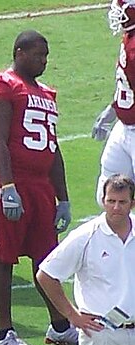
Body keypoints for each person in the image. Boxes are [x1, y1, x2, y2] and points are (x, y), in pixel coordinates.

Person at [0, 30, 77, 345]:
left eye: (46, 56)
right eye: (37, 55)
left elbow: (53, 147)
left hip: (39, 185)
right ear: (19, 52)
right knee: (2, 256)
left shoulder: (46, 93)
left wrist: (62, 197)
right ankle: (4, 333)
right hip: (6, 180)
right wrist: (7, 188)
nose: (43, 62)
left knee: (47, 258)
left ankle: (60, 326)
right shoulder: (1, 85)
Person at [37, 174, 135, 345]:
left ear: (132, 204)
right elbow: (46, 275)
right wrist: (72, 315)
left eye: (122, 202)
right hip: (103, 335)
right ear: (103, 201)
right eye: (111, 201)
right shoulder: (85, 236)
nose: (116, 207)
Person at [92, 0, 135, 206]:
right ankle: (119, 238)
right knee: (106, 194)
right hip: (125, 127)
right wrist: (114, 109)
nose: (116, 11)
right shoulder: (130, 35)